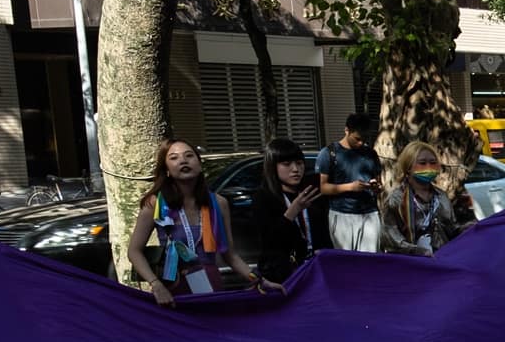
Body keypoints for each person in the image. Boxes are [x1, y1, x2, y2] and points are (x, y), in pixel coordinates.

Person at [126, 138, 283, 305]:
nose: (183, 160)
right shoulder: (156, 204)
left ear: (200, 165)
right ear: (167, 170)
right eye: (174, 158)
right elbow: (134, 251)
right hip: (173, 286)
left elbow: (230, 255)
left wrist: (259, 280)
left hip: (209, 284)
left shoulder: (218, 203)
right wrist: (155, 284)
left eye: (189, 156)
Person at [254, 137, 324, 282]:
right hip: (281, 274)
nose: (295, 169)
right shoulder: (264, 197)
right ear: (273, 166)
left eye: (299, 163)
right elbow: (270, 242)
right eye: (287, 164)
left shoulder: (310, 192)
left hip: (314, 268)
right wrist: (293, 211)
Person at [315, 113, 382, 253]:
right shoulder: (329, 153)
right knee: (346, 262)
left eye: (365, 139)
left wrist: (376, 187)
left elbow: (379, 183)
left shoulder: (371, 154)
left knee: (370, 262)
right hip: (341, 214)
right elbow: (323, 188)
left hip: (369, 213)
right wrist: (350, 187)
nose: (361, 143)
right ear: (347, 130)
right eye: (357, 138)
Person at [378, 142, 460, 255]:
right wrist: (415, 251)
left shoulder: (441, 196)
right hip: (410, 265)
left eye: (433, 162)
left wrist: (468, 229)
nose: (429, 167)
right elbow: (390, 239)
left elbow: (451, 228)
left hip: (441, 262)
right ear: (408, 167)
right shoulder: (396, 199)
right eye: (422, 163)